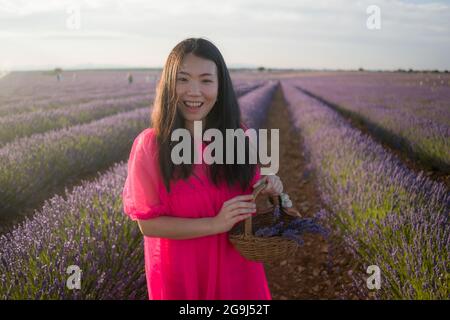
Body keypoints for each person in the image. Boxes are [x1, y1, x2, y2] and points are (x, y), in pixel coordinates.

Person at [122, 38, 284, 300]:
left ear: (220, 87)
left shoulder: (238, 136)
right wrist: (215, 224)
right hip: (183, 274)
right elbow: (148, 225)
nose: (194, 91)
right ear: (168, 84)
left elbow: (254, 187)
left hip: (237, 270)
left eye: (206, 80)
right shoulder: (151, 147)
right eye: (183, 79)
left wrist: (270, 186)